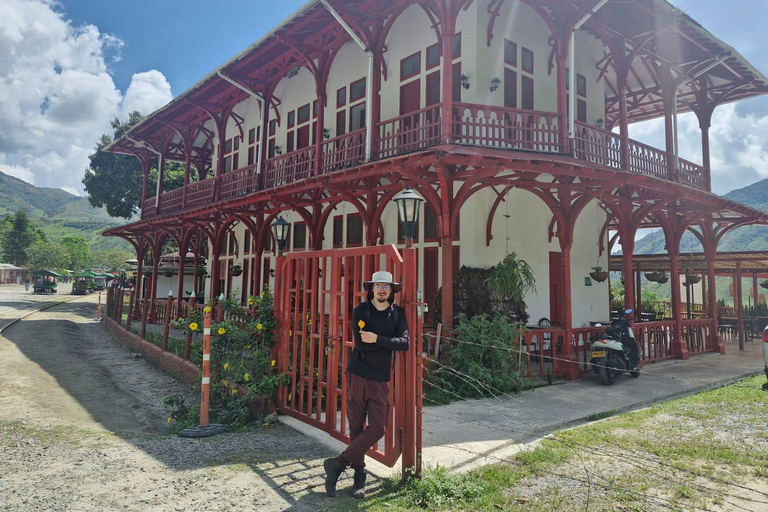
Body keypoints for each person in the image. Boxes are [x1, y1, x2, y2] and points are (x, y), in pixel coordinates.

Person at [324, 270, 410, 498]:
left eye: (386, 286)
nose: (382, 290)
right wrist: (385, 342)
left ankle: (337, 464)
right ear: (371, 288)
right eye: (378, 286)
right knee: (355, 425)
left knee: (378, 428)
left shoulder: (397, 314)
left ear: (391, 290)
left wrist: (378, 339)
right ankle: (359, 477)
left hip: (380, 377)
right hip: (358, 374)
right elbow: (362, 345)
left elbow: (404, 343)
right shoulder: (362, 310)